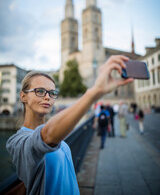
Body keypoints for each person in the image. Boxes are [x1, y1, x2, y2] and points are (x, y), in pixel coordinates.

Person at [6, 55, 133, 195]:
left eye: (52, 93)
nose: (47, 96)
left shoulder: (52, 133)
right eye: (40, 91)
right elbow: (46, 136)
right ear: (23, 96)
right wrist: (94, 92)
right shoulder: (17, 141)